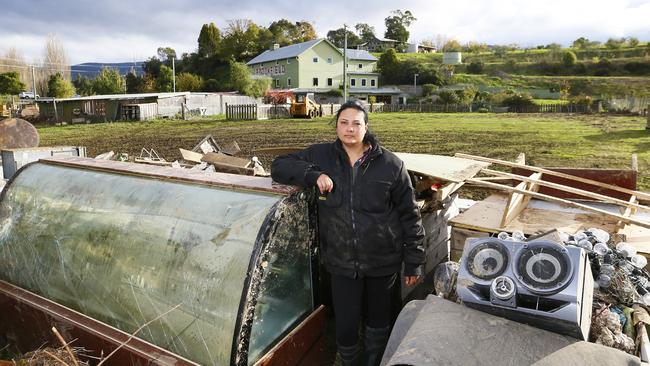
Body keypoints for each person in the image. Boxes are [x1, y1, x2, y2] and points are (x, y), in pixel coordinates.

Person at [271, 100, 425, 366]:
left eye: (356, 123)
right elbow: (279, 165)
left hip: (383, 262)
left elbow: (410, 217)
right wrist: (313, 175)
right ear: (336, 126)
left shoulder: (391, 165)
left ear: (366, 128)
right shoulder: (321, 156)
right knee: (345, 327)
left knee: (379, 323)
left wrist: (414, 262)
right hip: (341, 263)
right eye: (344, 122)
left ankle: (374, 361)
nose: (349, 129)